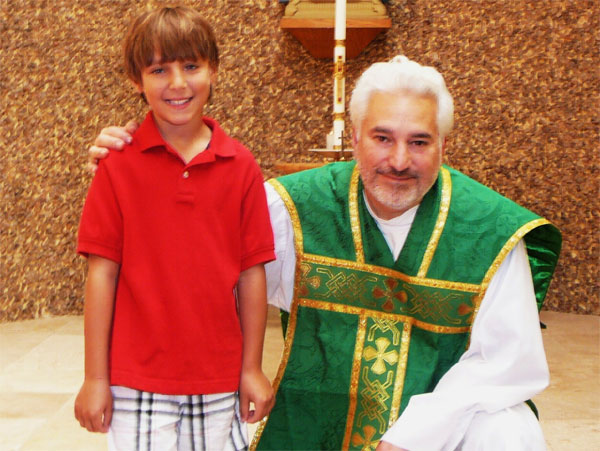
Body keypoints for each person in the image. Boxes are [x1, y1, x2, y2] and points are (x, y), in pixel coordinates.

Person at [88, 55, 562, 450]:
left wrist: (412, 436)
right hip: (322, 409)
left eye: (419, 142)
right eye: (382, 138)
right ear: (353, 138)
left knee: (510, 430)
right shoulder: (292, 208)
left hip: (441, 424)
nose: (399, 161)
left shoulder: (491, 232)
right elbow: (200, 247)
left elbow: (508, 360)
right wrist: (133, 167)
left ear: (444, 145)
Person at [75, 6, 275, 450]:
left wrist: (251, 368)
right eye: (159, 69)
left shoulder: (240, 166)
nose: (178, 83)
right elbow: (101, 273)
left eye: (191, 66)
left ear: (214, 70)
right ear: (136, 80)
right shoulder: (118, 167)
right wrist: (95, 376)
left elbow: (252, 273)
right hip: (137, 377)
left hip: (219, 373)